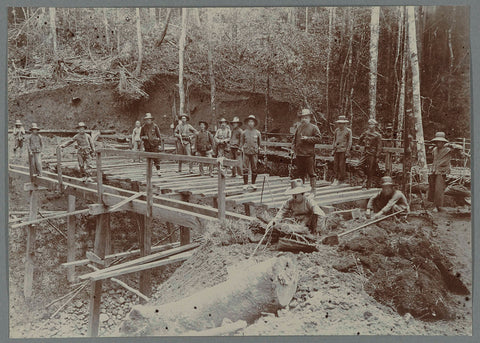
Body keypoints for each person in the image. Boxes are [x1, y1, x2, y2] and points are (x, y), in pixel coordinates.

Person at [428, 132, 466, 212]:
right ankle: (434, 205)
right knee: (433, 188)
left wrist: (451, 145)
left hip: (442, 171)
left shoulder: (448, 150)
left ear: (443, 142)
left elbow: (459, 147)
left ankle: (438, 206)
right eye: (437, 142)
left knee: (439, 189)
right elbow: (435, 160)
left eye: (440, 142)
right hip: (434, 171)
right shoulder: (434, 149)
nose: (438, 143)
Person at [292, 108, 322, 194]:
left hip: (309, 155)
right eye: (302, 118)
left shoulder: (314, 127)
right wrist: (293, 148)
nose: (303, 119)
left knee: (311, 173)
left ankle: (313, 190)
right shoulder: (299, 127)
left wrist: (308, 139)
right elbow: (294, 139)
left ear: (310, 118)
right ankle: (301, 191)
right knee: (300, 173)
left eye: (306, 117)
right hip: (299, 154)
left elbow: (319, 139)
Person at [358, 118, 382, 189]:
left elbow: (379, 147)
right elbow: (360, 138)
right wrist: (358, 144)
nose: (370, 126)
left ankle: (368, 186)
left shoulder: (378, 135)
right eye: (369, 124)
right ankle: (363, 178)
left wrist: (377, 157)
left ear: (375, 126)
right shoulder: (366, 133)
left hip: (372, 154)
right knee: (358, 166)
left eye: (371, 124)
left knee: (370, 170)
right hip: (365, 152)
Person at [240, 115, 261, 190]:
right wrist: (241, 149)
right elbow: (241, 143)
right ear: (247, 123)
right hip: (246, 152)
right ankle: (245, 184)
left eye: (252, 121)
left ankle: (253, 183)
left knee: (254, 168)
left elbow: (259, 143)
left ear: (254, 123)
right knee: (245, 168)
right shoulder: (244, 132)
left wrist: (257, 149)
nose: (251, 123)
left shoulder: (258, 133)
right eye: (249, 121)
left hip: (254, 152)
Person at [331, 115, 352, 185]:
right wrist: (333, 148)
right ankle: (336, 179)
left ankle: (341, 180)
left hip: (343, 150)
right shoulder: (336, 130)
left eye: (342, 123)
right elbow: (334, 139)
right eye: (339, 123)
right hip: (337, 150)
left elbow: (349, 141)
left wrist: (347, 151)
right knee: (335, 165)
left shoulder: (348, 131)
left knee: (341, 165)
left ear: (345, 124)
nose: (340, 125)